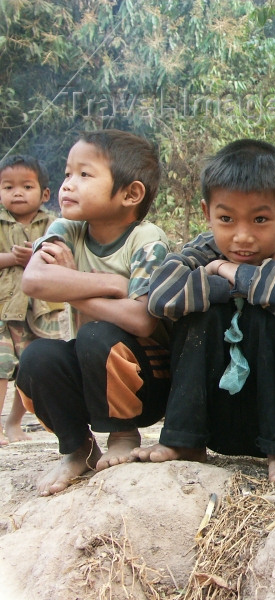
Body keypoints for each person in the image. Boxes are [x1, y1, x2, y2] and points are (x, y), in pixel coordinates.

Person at [131, 139, 275, 484]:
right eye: (226, 219)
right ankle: (184, 441)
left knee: (272, 314)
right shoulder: (202, 249)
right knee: (202, 315)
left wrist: (224, 271)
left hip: (274, 416)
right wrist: (239, 282)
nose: (242, 237)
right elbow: (161, 298)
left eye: (260, 219)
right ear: (207, 214)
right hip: (212, 416)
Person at [15, 129, 171, 496]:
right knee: (37, 357)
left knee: (96, 333)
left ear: (130, 194)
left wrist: (72, 283)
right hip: (92, 373)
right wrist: (113, 286)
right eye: (68, 173)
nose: (68, 185)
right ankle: (77, 448)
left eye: (85, 175)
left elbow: (141, 319)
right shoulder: (66, 228)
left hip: (147, 377)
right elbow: (34, 280)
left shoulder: (146, 239)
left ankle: (123, 433)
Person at [0, 155, 66, 444]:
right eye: (8, 187)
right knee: (2, 364)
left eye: (26, 186)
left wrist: (36, 257)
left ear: (45, 194)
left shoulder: (55, 225)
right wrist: (10, 258)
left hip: (41, 310)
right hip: (3, 308)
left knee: (29, 366)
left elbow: (64, 259)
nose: (17, 193)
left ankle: (15, 424)